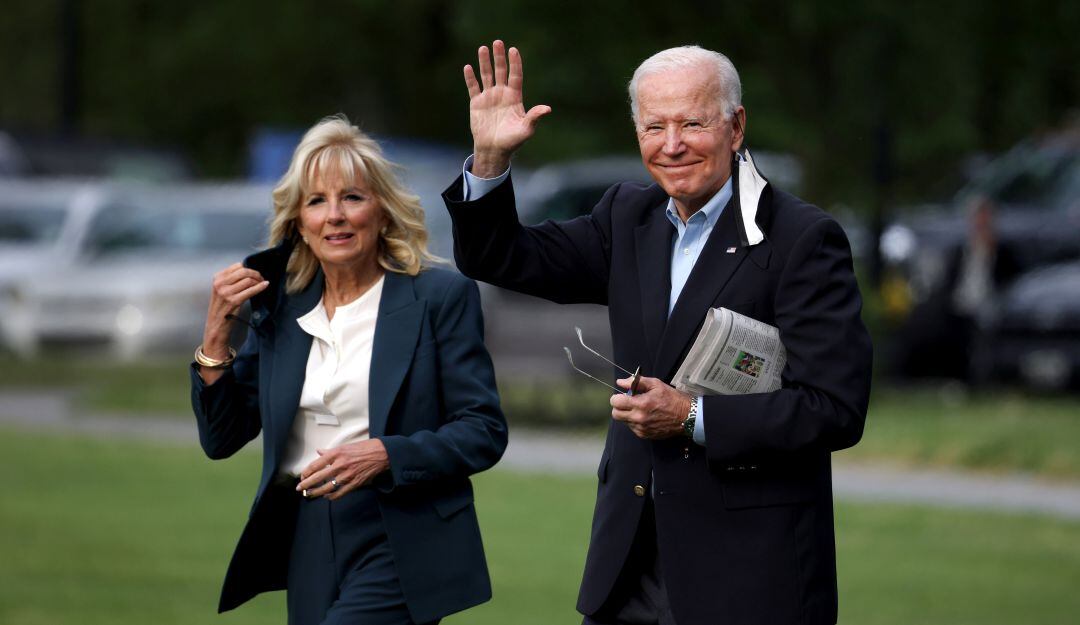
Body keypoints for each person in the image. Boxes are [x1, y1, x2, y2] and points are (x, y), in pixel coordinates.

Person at [443, 41, 873, 625]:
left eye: (692, 123)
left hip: (748, 575)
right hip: (628, 570)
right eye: (654, 127)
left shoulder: (801, 239)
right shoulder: (628, 216)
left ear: (735, 127)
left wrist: (692, 416)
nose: (671, 144)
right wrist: (490, 160)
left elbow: (834, 409)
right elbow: (500, 257)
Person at [190, 115, 507, 625]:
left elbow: (483, 431)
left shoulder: (440, 296)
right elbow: (221, 438)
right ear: (299, 222)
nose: (335, 216)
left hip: (402, 536)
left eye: (352, 198)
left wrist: (385, 454)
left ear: (382, 211)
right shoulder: (282, 307)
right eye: (317, 201)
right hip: (306, 534)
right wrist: (215, 340)